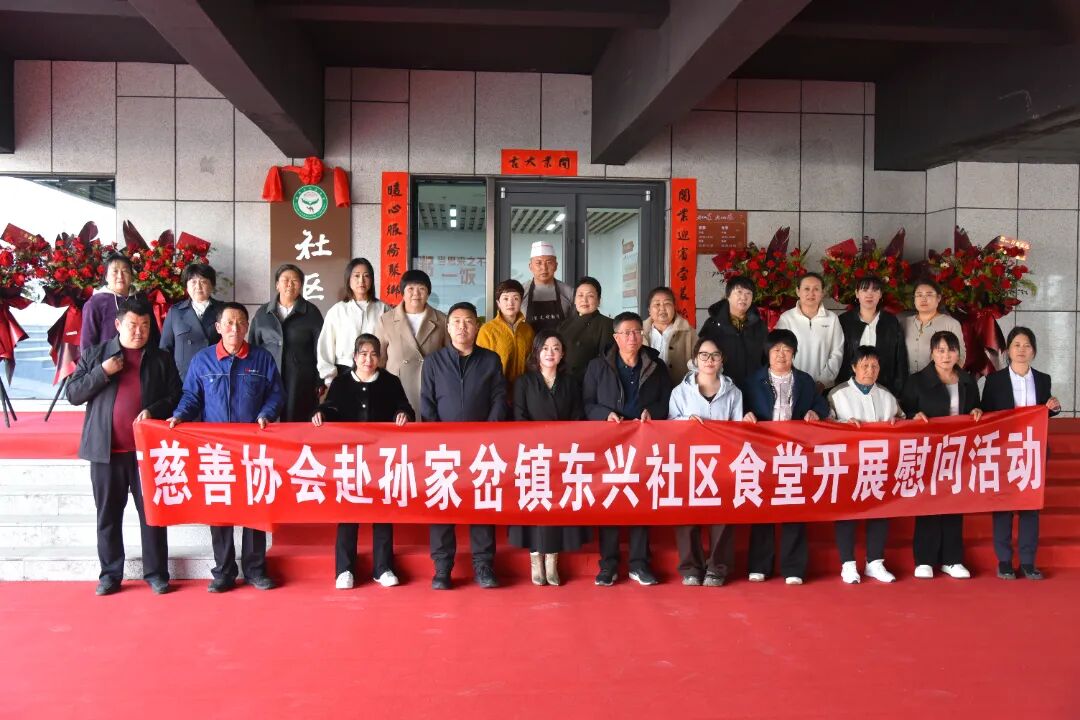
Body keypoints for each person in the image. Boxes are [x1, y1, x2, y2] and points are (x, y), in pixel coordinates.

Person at [67, 297, 181, 596]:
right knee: (108, 516)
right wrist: (102, 372)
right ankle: (110, 575)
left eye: (145, 325)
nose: (139, 331)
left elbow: (176, 396)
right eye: (132, 325)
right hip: (106, 453)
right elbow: (73, 394)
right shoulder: (96, 355)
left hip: (146, 454)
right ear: (118, 325)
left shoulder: (160, 359)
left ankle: (156, 573)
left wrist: (154, 410)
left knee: (152, 516)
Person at [169, 302, 285, 593]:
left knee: (255, 508)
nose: (235, 328)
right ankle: (223, 572)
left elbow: (276, 394)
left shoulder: (262, 359)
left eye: (241, 322)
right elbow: (191, 396)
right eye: (229, 323)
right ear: (218, 327)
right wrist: (180, 415)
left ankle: (256, 570)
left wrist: (266, 413)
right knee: (220, 510)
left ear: (247, 327)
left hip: (253, 448)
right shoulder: (203, 361)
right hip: (216, 450)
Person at [312, 334, 414, 589]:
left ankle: (383, 567)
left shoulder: (390, 381)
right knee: (348, 511)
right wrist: (320, 413)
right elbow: (330, 408)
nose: (368, 359)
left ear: (380, 358)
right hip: (350, 458)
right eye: (364, 354)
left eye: (374, 354)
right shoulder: (341, 382)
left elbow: (405, 407)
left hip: (381, 458)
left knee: (383, 511)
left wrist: (403, 413)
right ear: (355, 357)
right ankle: (344, 569)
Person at [420, 302, 508, 590]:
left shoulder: (490, 360)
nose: (462, 327)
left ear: (477, 327)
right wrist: (437, 437)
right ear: (448, 327)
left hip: (481, 447)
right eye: (456, 321)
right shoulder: (433, 362)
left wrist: (488, 433)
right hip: (443, 448)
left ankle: (483, 565)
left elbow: (498, 398)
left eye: (468, 321)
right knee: (443, 503)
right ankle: (442, 568)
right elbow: (427, 404)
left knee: (480, 504)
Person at [583, 311, 672, 586]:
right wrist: (604, 415)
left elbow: (667, 401)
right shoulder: (598, 366)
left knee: (640, 500)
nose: (633, 337)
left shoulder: (656, 365)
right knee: (609, 501)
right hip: (609, 444)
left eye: (637, 332)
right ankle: (608, 564)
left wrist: (652, 412)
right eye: (626, 332)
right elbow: (587, 403)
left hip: (644, 442)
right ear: (616, 337)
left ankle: (639, 563)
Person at [743, 329, 828, 585]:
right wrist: (745, 413)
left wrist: (815, 412)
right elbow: (739, 404)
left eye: (787, 350)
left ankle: (794, 567)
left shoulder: (804, 380)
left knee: (794, 507)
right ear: (767, 353)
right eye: (776, 350)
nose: (781, 355)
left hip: (794, 453)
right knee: (762, 507)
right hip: (763, 451)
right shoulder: (752, 380)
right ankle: (759, 565)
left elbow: (822, 403)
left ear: (794, 353)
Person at [508, 330, 591, 585]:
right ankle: (536, 559)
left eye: (555, 348)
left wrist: (562, 441)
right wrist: (540, 440)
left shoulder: (571, 383)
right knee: (535, 507)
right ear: (536, 352)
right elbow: (519, 417)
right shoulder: (524, 382)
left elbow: (578, 416)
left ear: (563, 353)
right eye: (544, 348)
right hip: (533, 454)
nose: (550, 353)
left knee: (557, 507)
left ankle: (552, 561)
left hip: (562, 454)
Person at [899, 330, 982, 580]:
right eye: (941, 350)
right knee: (928, 502)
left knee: (955, 503)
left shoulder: (967, 380)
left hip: (958, 452)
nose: (946, 356)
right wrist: (913, 416)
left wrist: (977, 411)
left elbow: (976, 408)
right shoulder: (916, 381)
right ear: (932, 353)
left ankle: (952, 559)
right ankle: (924, 560)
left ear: (959, 353)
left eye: (951, 350)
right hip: (928, 450)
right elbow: (903, 411)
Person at [982, 326, 1061, 581]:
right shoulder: (994, 380)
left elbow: (1044, 411)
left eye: (1027, 345)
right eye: (1016, 345)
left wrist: (1053, 407)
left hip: (1033, 450)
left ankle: (1028, 561)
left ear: (1034, 351)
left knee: (1030, 506)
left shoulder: (1043, 379)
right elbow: (986, 414)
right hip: (1004, 451)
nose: (1021, 350)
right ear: (1007, 350)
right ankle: (1004, 560)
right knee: (1003, 505)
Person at [668, 337, 743, 587]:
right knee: (686, 515)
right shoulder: (680, 392)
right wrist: (686, 422)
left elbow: (738, 430)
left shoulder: (734, 393)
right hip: (688, 461)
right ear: (694, 359)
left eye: (715, 355)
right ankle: (691, 567)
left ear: (722, 360)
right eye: (704, 355)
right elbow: (669, 424)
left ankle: (717, 568)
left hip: (722, 462)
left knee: (722, 514)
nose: (709, 360)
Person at [827, 346, 903, 584]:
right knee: (846, 513)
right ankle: (848, 564)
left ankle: (875, 562)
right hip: (847, 465)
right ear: (853, 367)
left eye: (874, 366)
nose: (870, 371)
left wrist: (898, 422)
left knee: (880, 512)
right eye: (865, 366)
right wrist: (842, 424)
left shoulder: (887, 395)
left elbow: (904, 421)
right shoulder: (837, 394)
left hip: (878, 465)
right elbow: (824, 426)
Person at [248, 263, 324, 422]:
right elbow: (253, 347)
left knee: (297, 421)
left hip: (301, 380)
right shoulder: (263, 313)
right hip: (268, 377)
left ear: (301, 285)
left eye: (295, 280)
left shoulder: (312, 313)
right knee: (268, 421)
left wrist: (320, 380)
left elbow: (321, 350)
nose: (290, 284)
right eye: (285, 280)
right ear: (277, 285)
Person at [375, 269, 449, 419]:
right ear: (402, 292)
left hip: (431, 387)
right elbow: (379, 360)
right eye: (410, 288)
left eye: (421, 288)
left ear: (428, 293)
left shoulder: (442, 320)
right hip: (397, 388)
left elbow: (448, 358)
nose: (416, 293)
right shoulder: (386, 320)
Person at [316, 257, 391, 388]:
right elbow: (325, 347)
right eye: (356, 276)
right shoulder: (337, 310)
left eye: (366, 276)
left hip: (375, 372)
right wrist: (329, 379)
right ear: (348, 279)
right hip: (343, 372)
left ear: (371, 280)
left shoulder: (383, 309)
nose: (361, 280)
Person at [837, 276, 908, 395]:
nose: (869, 294)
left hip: (884, 388)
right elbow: (838, 355)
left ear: (880, 294)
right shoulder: (844, 321)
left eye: (875, 290)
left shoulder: (891, 321)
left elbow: (900, 358)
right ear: (857, 293)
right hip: (849, 388)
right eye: (864, 290)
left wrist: (899, 390)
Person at [775, 272, 844, 392]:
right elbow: (779, 353)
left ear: (822, 292)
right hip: (792, 386)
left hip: (824, 388)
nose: (811, 293)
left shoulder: (832, 319)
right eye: (806, 289)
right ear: (798, 291)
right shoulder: (787, 318)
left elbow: (837, 353)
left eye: (816, 289)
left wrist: (823, 382)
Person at [699, 275, 766, 394]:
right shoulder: (712, 325)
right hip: (721, 390)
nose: (743, 297)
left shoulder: (759, 325)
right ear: (728, 296)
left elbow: (766, 358)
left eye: (748, 293)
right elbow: (701, 357)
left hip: (753, 390)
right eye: (739, 292)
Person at [80, 253, 159, 353]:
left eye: (125, 271)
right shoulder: (95, 303)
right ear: (106, 276)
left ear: (131, 276)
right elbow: (87, 344)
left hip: (142, 359)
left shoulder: (141, 299)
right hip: (108, 360)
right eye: (115, 271)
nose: (120, 276)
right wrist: (100, 363)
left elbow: (153, 335)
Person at [159, 263, 223, 381]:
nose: (198, 286)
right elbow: (165, 349)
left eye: (203, 281)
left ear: (212, 285)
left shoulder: (223, 310)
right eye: (193, 282)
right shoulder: (175, 312)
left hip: (216, 376)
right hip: (183, 379)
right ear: (186, 286)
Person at [477, 278, 535, 395]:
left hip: (524, 391)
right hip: (496, 392)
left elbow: (532, 361)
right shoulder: (487, 330)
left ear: (521, 301)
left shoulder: (528, 330)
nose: (510, 303)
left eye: (515, 298)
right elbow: (480, 365)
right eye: (505, 298)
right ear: (498, 303)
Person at [901, 278, 966, 373]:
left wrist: (946, 378)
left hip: (938, 380)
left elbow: (960, 357)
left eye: (929, 294)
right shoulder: (904, 323)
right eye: (919, 295)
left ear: (938, 298)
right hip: (907, 380)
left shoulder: (950, 324)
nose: (923, 299)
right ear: (914, 299)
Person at [558, 276, 614, 385]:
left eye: (590, 296)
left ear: (599, 300)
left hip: (590, 383)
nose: (584, 300)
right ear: (574, 300)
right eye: (580, 295)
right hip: (564, 384)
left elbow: (607, 361)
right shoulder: (564, 325)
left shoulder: (607, 324)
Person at [643, 285, 698, 386]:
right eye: (657, 304)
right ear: (649, 310)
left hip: (680, 389)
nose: (662, 308)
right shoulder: (640, 332)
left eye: (667, 303)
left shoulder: (688, 332)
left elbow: (698, 364)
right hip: (647, 390)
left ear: (674, 307)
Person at [520, 240, 575, 334]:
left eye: (549, 262)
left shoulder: (569, 292)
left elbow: (575, 325)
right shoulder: (521, 292)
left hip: (560, 343)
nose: (544, 268)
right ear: (530, 266)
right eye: (538, 263)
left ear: (556, 266)